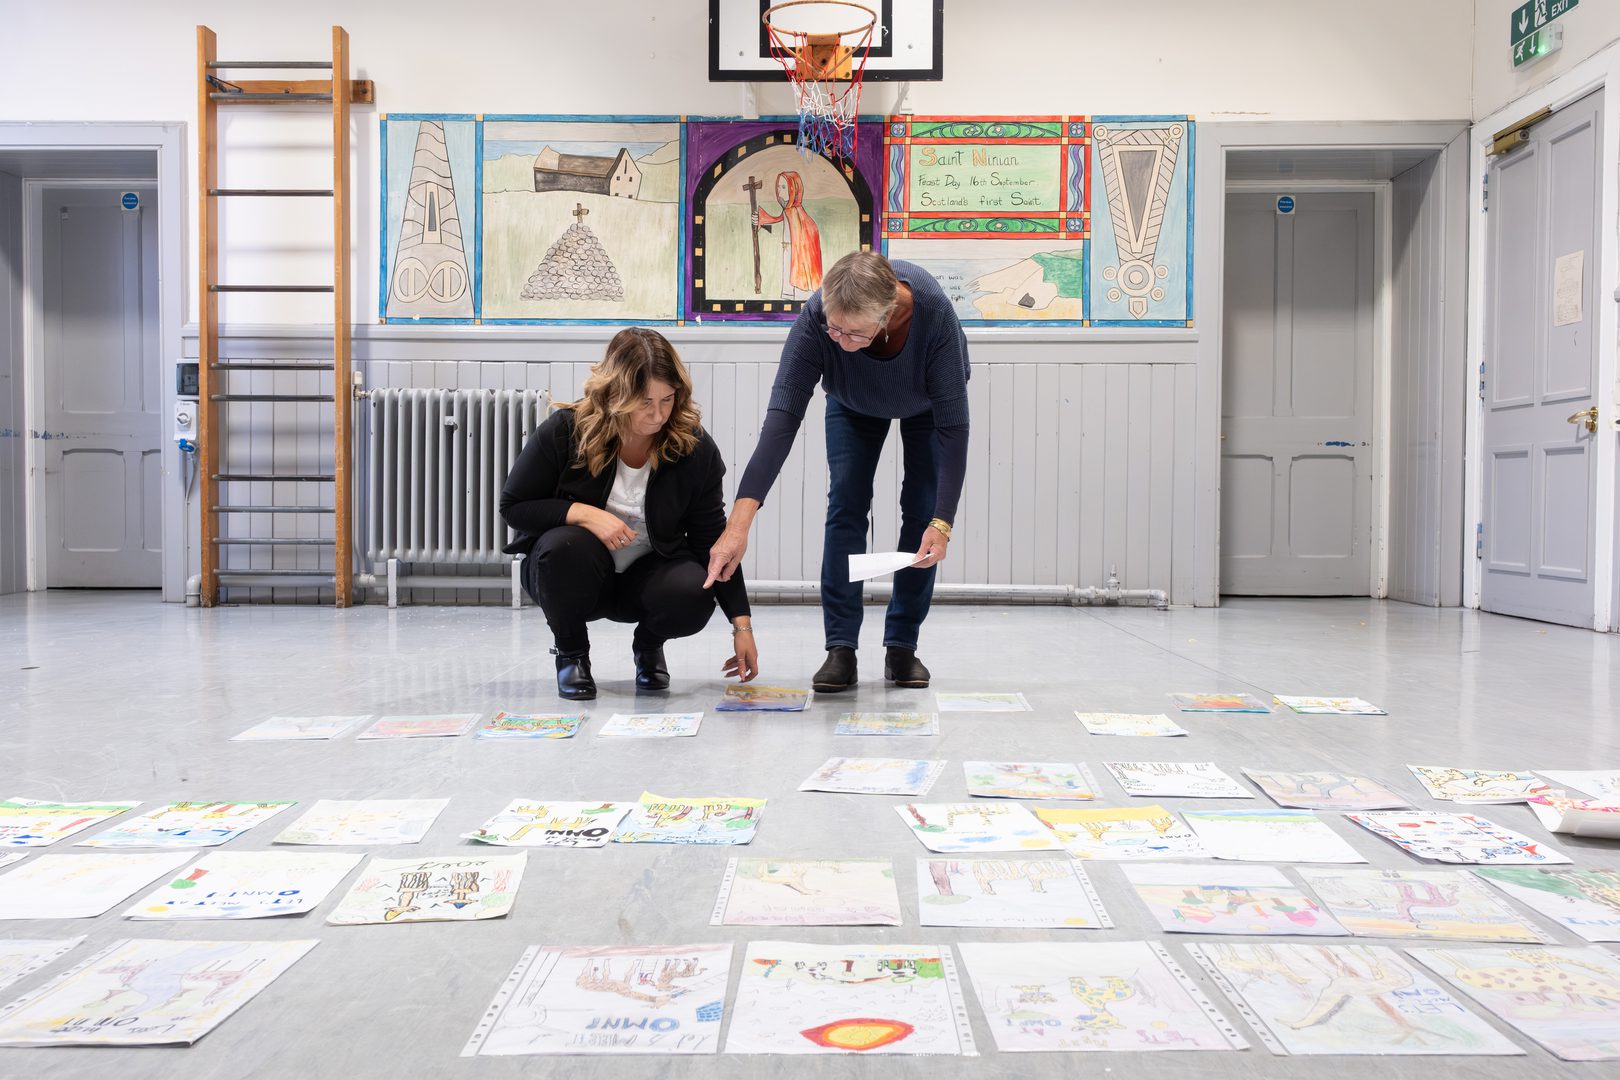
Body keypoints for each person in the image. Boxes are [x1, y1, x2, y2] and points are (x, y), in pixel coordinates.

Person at [705, 252, 969, 692]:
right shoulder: (815, 318)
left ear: (888, 315)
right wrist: (739, 523)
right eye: (835, 329)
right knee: (846, 504)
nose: (841, 342)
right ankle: (840, 647)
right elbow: (781, 421)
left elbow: (955, 431)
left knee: (923, 512)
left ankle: (902, 646)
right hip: (851, 402)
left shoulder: (933, 312)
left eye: (855, 334)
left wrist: (943, 522)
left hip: (925, 405)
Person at [500, 328, 759, 700]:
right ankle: (572, 655)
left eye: (667, 400)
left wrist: (741, 624)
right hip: (576, 578)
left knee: (695, 589)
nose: (657, 415)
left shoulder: (693, 447)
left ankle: (649, 647)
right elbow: (514, 507)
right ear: (615, 394)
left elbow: (712, 541)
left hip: (649, 579)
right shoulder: (566, 431)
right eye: (644, 402)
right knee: (564, 547)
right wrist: (584, 514)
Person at [753, 170, 823, 301]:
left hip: (795, 254)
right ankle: (790, 296)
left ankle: (798, 296)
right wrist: (760, 220)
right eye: (778, 187)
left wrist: (762, 222)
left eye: (784, 187)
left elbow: (803, 238)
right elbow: (778, 223)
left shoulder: (797, 214)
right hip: (789, 251)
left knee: (797, 284)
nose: (779, 190)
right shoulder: (788, 210)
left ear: (794, 189)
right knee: (788, 284)